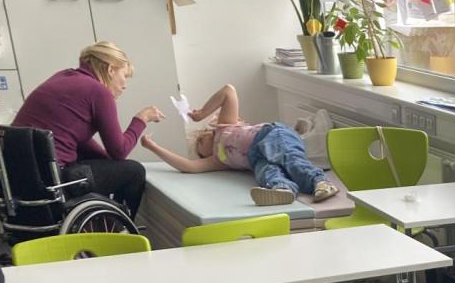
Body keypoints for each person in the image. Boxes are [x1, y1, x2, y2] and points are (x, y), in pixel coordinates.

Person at [12, 41, 163, 218]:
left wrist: (110, 164)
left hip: (21, 174)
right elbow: (120, 150)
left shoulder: (62, 77)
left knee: (111, 166)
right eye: (124, 76)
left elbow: (76, 136)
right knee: (134, 171)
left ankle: (108, 220)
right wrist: (141, 119)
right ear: (111, 69)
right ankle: (121, 224)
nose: (125, 85)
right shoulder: (98, 91)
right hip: (53, 181)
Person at [140, 83, 340, 206]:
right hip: (257, 159)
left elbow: (228, 91)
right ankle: (283, 190)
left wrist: (202, 113)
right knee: (266, 174)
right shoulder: (219, 161)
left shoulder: (224, 126)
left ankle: (320, 183)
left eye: (200, 139)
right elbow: (188, 166)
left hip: (270, 135)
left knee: (291, 160)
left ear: (209, 131)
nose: (200, 147)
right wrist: (153, 147)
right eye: (199, 152)